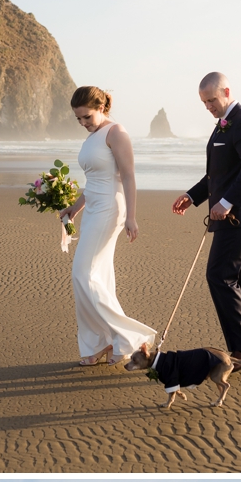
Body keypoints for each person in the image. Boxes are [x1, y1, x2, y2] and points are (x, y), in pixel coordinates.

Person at [170, 72, 241, 369]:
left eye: (212, 100)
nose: (208, 107)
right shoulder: (224, 124)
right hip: (238, 215)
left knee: (219, 275)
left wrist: (227, 203)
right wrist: (192, 196)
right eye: (204, 102)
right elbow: (218, 174)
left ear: (226, 92)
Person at [59, 86, 156, 367]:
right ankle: (102, 341)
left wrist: (131, 217)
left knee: (83, 274)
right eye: (78, 119)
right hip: (93, 208)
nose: (83, 123)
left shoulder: (116, 133)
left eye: (87, 117)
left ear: (101, 108)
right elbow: (93, 181)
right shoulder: (93, 136)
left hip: (110, 210)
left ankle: (128, 337)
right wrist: (75, 208)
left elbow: (128, 176)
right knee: (97, 276)